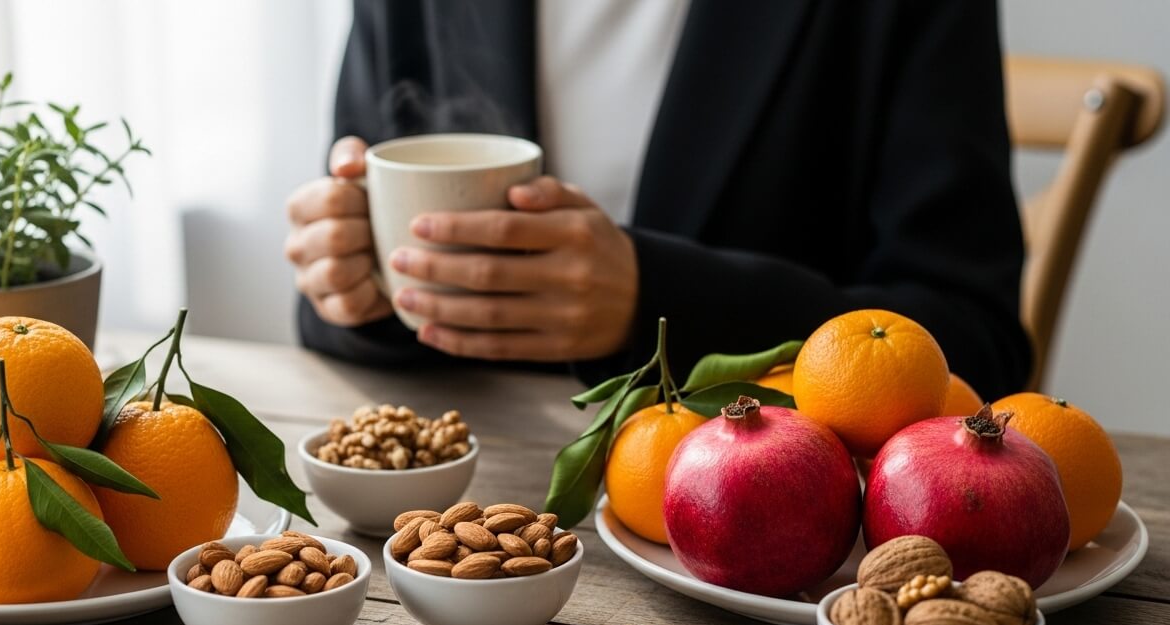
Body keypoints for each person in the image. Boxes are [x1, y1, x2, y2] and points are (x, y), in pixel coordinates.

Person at [285, 0, 1030, 399]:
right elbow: (349, 289)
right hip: (462, 528)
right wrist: (353, 284)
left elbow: (974, 344)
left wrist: (653, 304)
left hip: (767, 545)